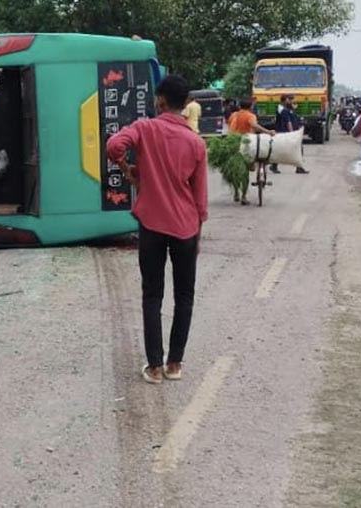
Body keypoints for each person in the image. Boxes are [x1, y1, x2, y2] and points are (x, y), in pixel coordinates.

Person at [106, 75, 208, 385]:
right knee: (185, 295)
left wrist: (128, 170)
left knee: (152, 295)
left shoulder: (145, 128)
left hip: (151, 224)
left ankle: (153, 366)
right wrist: (198, 233)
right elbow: (200, 196)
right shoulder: (195, 142)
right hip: (186, 227)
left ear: (161, 101)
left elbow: (113, 146)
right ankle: (174, 363)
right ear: (185, 104)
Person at [227, 98, 275, 205]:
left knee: (236, 170)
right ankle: (243, 197)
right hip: (247, 143)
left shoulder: (234, 115)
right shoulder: (250, 116)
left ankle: (236, 193)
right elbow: (254, 126)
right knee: (245, 173)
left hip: (233, 142)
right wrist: (268, 131)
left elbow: (229, 126)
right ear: (251, 106)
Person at [270, 96, 309, 174]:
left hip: (286, 132)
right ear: (285, 100)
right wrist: (292, 134)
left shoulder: (288, 109)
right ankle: (299, 168)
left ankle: (274, 165)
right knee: (297, 148)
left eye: (292, 99)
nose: (291, 101)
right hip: (286, 133)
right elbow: (288, 122)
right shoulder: (284, 110)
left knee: (281, 149)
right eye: (290, 99)